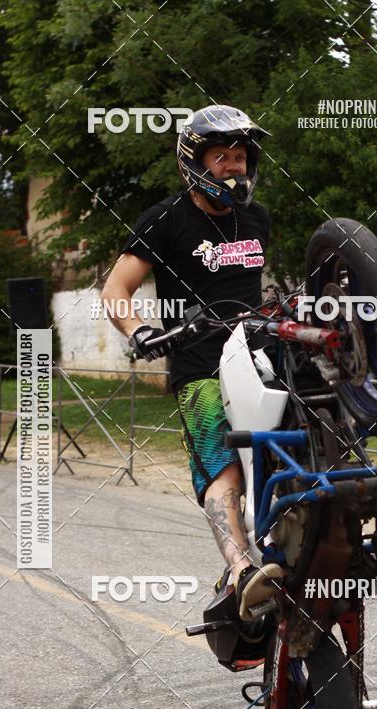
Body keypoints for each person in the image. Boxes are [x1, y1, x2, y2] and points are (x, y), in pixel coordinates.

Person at [101, 104, 283, 619]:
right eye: (222, 156)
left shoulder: (257, 219)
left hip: (261, 360)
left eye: (241, 156)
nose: (234, 166)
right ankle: (244, 569)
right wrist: (138, 330)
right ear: (195, 162)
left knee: (300, 443)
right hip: (200, 366)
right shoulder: (165, 218)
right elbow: (117, 289)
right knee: (221, 469)